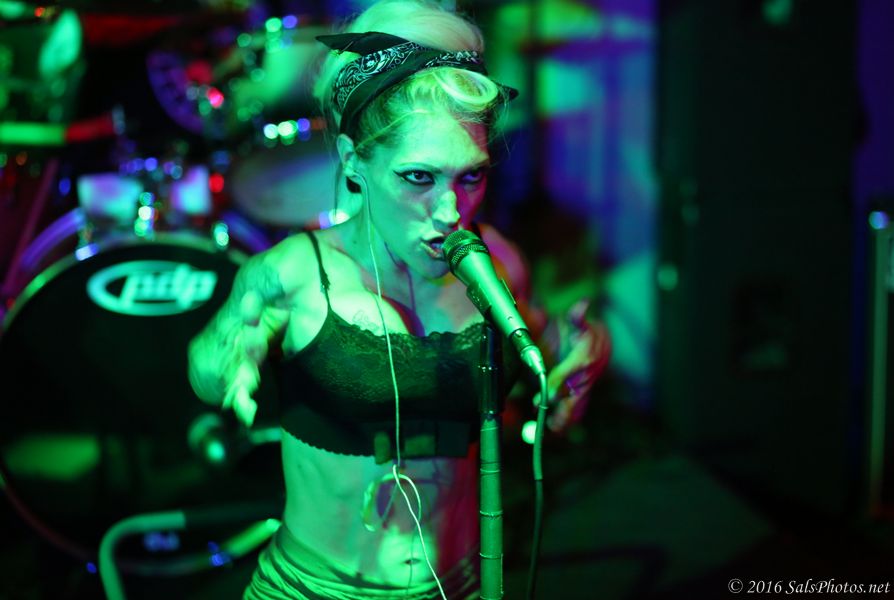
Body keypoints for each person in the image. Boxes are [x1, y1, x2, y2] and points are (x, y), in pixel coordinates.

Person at [187, 1, 611, 598]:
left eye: (470, 176)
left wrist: (582, 355)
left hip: (459, 585)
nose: (450, 211)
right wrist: (223, 356)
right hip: (313, 589)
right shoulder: (294, 272)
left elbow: (545, 346)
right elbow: (209, 371)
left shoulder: (495, 262)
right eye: (418, 177)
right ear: (353, 161)